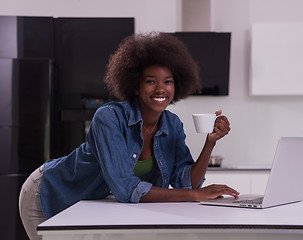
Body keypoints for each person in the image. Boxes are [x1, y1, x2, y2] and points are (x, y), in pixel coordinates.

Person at [19, 32, 239, 240]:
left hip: (87, 205)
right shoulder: (109, 117)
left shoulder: (172, 124)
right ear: (135, 86)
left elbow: (186, 183)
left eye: (168, 81)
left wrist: (209, 143)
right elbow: (126, 189)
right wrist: (195, 196)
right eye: (151, 81)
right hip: (48, 194)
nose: (161, 89)